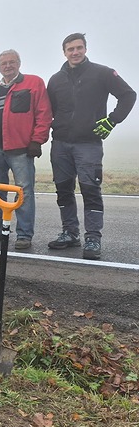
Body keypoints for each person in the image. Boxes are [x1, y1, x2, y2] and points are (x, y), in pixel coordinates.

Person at [46, 33, 136, 260]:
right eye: (70, 49)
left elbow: (128, 95)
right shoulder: (55, 80)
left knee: (90, 190)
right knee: (63, 189)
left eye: (79, 48)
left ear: (85, 49)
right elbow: (50, 110)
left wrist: (112, 120)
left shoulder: (103, 73)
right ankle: (70, 232)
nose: (75, 52)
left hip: (89, 144)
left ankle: (93, 237)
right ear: (64, 52)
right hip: (61, 144)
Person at [0, 50, 52, 250]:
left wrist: (37, 140)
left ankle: (24, 235)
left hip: (21, 150)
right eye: (3, 63)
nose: (8, 66)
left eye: (11, 62)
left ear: (19, 63)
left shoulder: (34, 83)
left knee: (24, 191)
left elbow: (43, 114)